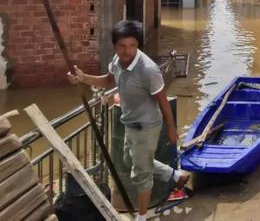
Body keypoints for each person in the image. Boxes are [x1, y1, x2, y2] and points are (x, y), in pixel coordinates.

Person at [67, 20, 189, 221]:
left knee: (141, 175)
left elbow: (163, 101)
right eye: (122, 46)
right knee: (129, 160)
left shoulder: (148, 70)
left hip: (147, 126)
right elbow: (108, 80)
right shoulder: (116, 61)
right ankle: (174, 175)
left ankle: (141, 217)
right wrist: (83, 77)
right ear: (115, 46)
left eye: (132, 46)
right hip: (129, 123)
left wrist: (171, 129)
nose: (127, 51)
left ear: (138, 45)